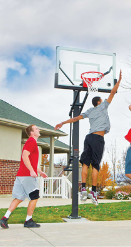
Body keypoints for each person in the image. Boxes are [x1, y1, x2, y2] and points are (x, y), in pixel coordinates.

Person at [55, 70, 122, 205]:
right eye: (102, 100)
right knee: (95, 165)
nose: (104, 101)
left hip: (88, 138)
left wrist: (62, 122)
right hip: (97, 139)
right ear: (99, 102)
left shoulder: (89, 111)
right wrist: (119, 81)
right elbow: (112, 93)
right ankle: (93, 191)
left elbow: (76, 118)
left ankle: (84, 188)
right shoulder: (103, 106)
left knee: (85, 163)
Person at [0, 125, 47, 229]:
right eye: (36, 129)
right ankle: (28, 220)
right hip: (27, 176)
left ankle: (4, 218)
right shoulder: (31, 142)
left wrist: (40, 171)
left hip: (21, 175)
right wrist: (31, 171)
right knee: (34, 197)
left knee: (19, 198)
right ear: (32, 133)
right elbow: (24, 156)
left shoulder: (31, 142)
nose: (39, 129)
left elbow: (31, 161)